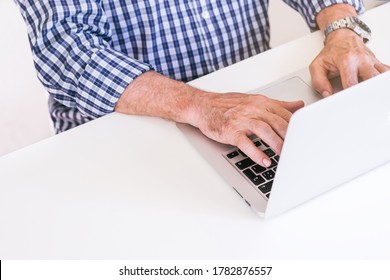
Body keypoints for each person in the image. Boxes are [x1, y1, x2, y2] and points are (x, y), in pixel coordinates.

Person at [15, 0, 389, 168]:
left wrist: (340, 24)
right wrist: (200, 104)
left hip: (251, 108)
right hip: (121, 140)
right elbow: (67, 50)